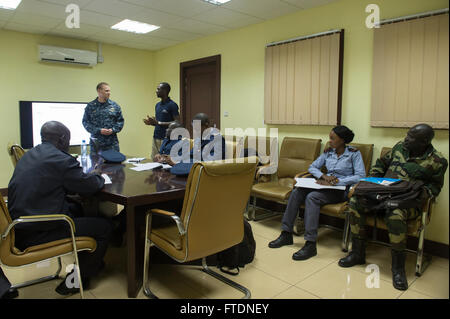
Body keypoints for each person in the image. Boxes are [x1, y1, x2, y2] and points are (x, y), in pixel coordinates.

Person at [7, 121, 113, 296]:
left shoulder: (30, 154)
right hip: (37, 231)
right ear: (63, 139)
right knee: (104, 227)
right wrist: (97, 176)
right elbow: (90, 186)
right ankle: (77, 280)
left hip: (20, 226)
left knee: (79, 208)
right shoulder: (61, 159)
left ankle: (91, 260)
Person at [338, 123, 447, 291]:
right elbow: (380, 164)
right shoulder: (399, 147)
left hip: (406, 202)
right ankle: (357, 253)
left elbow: (435, 188)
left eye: (411, 137)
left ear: (424, 141)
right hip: (381, 194)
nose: (406, 138)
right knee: (355, 203)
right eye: (407, 134)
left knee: (395, 213)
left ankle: (398, 269)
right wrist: (372, 181)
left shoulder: (437, 160)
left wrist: (418, 193)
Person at [268, 126, 366, 261]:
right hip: (324, 185)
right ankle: (286, 234)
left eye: (333, 138)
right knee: (296, 192)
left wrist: (337, 181)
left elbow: (360, 176)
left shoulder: (354, 154)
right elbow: (312, 167)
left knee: (312, 197)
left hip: (341, 190)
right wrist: (324, 176)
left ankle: (310, 244)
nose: (329, 141)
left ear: (342, 140)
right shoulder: (328, 152)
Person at [82, 82, 124, 153]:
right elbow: (85, 122)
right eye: (106, 91)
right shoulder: (91, 106)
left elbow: (120, 122)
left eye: (109, 91)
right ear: (99, 91)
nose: (109, 93)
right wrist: (99, 130)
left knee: (114, 164)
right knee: (96, 163)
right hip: (96, 143)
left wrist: (113, 130)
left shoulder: (115, 106)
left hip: (112, 143)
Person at [143, 82, 180, 160]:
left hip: (166, 139)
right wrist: (152, 123)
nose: (156, 91)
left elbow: (177, 122)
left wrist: (158, 123)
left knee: (164, 162)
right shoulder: (157, 105)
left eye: (158, 89)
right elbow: (158, 123)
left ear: (165, 91)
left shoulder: (172, 105)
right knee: (154, 160)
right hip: (156, 137)